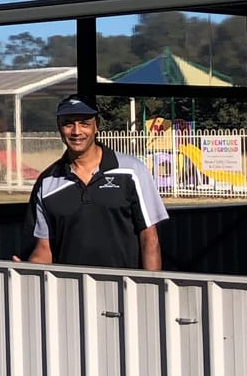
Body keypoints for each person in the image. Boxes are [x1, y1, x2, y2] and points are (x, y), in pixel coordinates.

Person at [18, 95, 167, 271]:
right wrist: (26, 272)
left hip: (125, 290)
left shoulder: (132, 171)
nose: (76, 131)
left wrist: (150, 288)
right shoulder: (47, 182)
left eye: (84, 123)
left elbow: (149, 238)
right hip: (70, 290)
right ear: (59, 128)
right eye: (68, 123)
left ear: (96, 126)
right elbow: (44, 248)